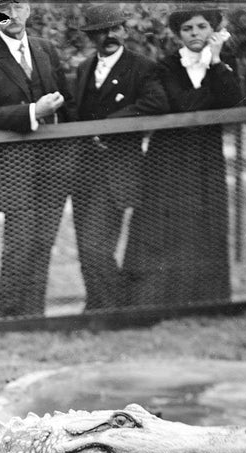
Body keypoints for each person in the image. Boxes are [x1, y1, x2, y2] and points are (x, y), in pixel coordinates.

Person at [122, 7, 242, 308]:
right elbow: (183, 105)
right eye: (187, 29)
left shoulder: (225, 63)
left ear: (212, 31)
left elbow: (231, 100)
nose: (195, 34)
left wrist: (215, 61)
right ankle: (154, 301)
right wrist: (209, 98)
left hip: (206, 156)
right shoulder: (164, 66)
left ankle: (207, 301)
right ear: (178, 34)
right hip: (168, 158)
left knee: (206, 222)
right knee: (162, 224)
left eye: (202, 27)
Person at [0, 1, 73, 320]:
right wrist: (32, 113)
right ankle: (8, 319)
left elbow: (67, 103)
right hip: (13, 170)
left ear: (29, 10)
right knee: (19, 245)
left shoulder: (46, 49)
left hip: (52, 167)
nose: (11, 14)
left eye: (19, 5)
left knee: (43, 244)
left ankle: (34, 318)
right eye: (4, 8)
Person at [69, 3, 168, 312]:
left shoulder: (142, 66)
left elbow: (156, 102)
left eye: (113, 29)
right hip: (84, 172)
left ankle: (120, 308)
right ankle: (96, 308)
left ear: (124, 31)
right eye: (100, 32)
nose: (108, 37)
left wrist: (109, 128)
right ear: (91, 37)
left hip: (117, 171)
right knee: (86, 250)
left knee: (95, 247)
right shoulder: (85, 68)